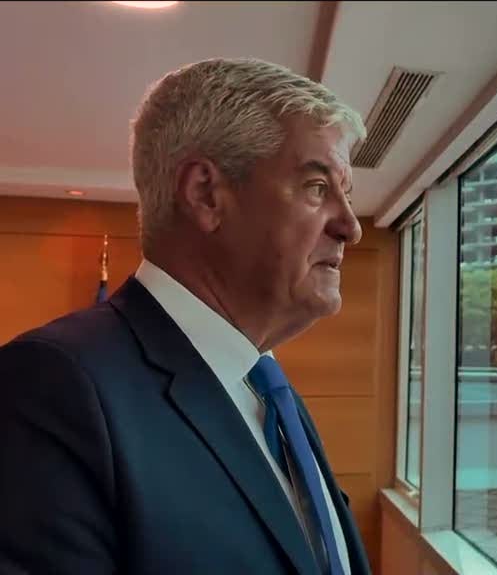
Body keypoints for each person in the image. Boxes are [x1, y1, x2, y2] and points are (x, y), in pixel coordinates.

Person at [0, 58, 371, 575]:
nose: (351, 227)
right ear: (205, 194)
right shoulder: (53, 386)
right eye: (316, 186)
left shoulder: (269, 390)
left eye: (345, 194)